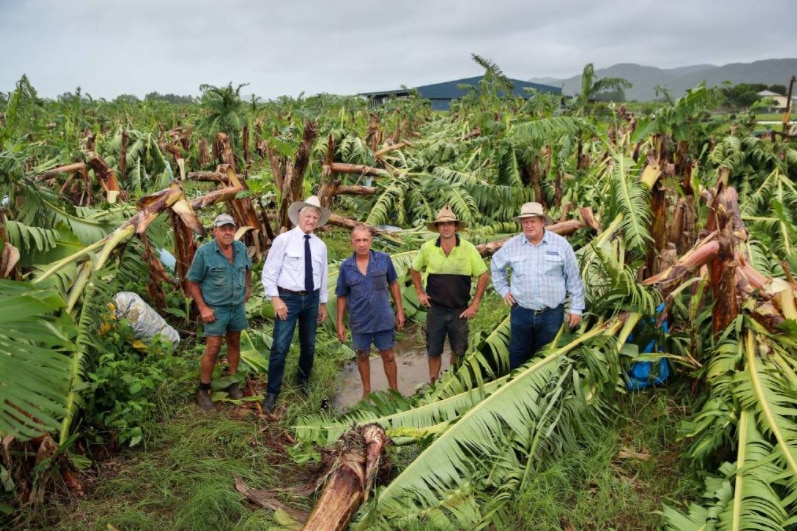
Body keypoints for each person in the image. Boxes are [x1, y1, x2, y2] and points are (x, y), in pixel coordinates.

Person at [490, 202, 585, 370]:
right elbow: (496, 266)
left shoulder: (561, 245)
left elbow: (573, 278)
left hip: (551, 313)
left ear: (542, 222)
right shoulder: (512, 245)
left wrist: (576, 309)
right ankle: (516, 388)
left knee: (547, 355)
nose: (528, 225)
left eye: (532, 221)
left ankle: (545, 391)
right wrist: (504, 290)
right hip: (521, 312)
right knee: (519, 352)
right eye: (525, 221)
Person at [261, 196, 330, 414]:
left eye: (315, 218)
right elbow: (269, 272)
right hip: (288, 298)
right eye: (308, 216)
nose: (311, 220)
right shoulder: (284, 240)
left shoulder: (320, 246)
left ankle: (303, 380)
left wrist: (323, 304)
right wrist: (275, 299)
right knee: (280, 346)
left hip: (311, 299)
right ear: (299, 216)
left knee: (308, 345)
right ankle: (272, 392)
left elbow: (323, 276)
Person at [410, 205, 489, 383]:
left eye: (449, 224)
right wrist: (420, 293)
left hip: (459, 310)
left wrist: (475, 304)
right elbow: (414, 269)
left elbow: (483, 275)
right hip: (435, 309)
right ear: (437, 227)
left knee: (459, 350)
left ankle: (452, 382)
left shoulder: (468, 249)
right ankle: (433, 384)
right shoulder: (428, 248)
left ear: (455, 226)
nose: (446, 227)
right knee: (434, 350)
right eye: (442, 224)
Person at [186, 213, 253, 411]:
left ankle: (232, 381)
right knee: (213, 347)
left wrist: (248, 287)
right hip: (216, 308)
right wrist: (203, 308)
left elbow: (248, 269)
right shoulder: (205, 252)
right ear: (215, 231)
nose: (228, 232)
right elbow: (192, 281)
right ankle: (203, 390)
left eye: (231, 228)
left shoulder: (240, 249)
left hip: (236, 307)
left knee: (234, 342)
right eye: (223, 228)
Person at [336, 224, 405, 399]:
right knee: (363, 354)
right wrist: (339, 323)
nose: (361, 244)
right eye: (357, 240)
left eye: (365, 240)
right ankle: (367, 392)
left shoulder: (384, 259)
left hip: (383, 317)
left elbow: (394, 284)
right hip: (359, 320)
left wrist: (400, 311)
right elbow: (342, 295)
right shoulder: (346, 267)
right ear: (352, 243)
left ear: (371, 241)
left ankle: (394, 392)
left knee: (388, 355)